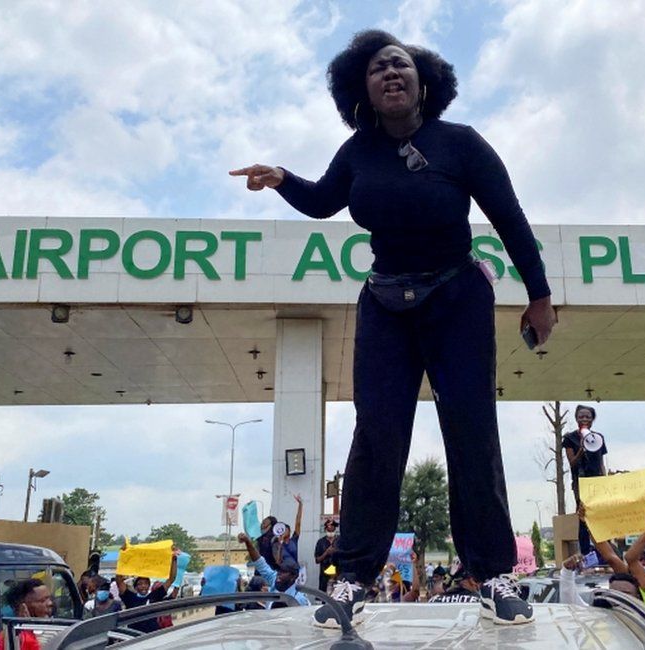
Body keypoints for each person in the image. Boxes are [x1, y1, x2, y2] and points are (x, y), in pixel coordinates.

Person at [231, 29, 555, 629]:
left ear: (424, 81)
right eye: (378, 69)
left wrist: (539, 296)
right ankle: (353, 578)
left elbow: (509, 218)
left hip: (457, 296)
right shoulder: (357, 152)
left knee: (471, 429)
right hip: (385, 301)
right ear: (365, 91)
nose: (390, 73)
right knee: (377, 436)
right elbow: (325, 201)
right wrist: (281, 178)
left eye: (400, 64)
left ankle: (494, 574)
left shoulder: (461, 144)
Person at [562, 405, 607, 555]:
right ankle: (586, 553)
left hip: (597, 482)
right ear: (576, 418)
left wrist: (605, 480)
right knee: (583, 517)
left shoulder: (598, 437)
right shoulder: (569, 438)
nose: (584, 419)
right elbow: (572, 463)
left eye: (588, 416)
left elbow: (601, 462)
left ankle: (604, 553)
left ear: (593, 419)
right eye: (581, 416)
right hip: (581, 482)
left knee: (600, 516)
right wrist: (581, 450)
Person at [237, 532, 310, 607]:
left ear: (293, 577)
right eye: (279, 570)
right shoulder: (274, 579)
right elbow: (259, 562)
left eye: (284, 572)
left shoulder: (299, 599)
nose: (279, 574)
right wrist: (247, 542)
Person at [115, 550, 178, 634]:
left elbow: (171, 579)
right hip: (134, 636)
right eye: (140, 584)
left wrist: (174, 559)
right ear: (136, 587)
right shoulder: (130, 597)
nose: (143, 586)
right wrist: (123, 557)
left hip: (152, 636)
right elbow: (119, 581)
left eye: (145, 583)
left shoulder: (155, 596)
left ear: (149, 585)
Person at [0, 579, 53, 650]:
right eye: (42, 601)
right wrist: (27, 630)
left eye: (49, 598)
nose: (50, 603)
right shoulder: (10, 636)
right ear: (22, 606)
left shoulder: (56, 626)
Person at [314, 518, 339, 592]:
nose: (331, 532)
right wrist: (326, 553)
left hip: (338, 574)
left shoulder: (340, 541)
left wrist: (336, 551)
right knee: (323, 596)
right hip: (325, 575)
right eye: (329, 530)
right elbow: (317, 560)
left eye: (332, 530)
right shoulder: (321, 542)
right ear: (325, 530)